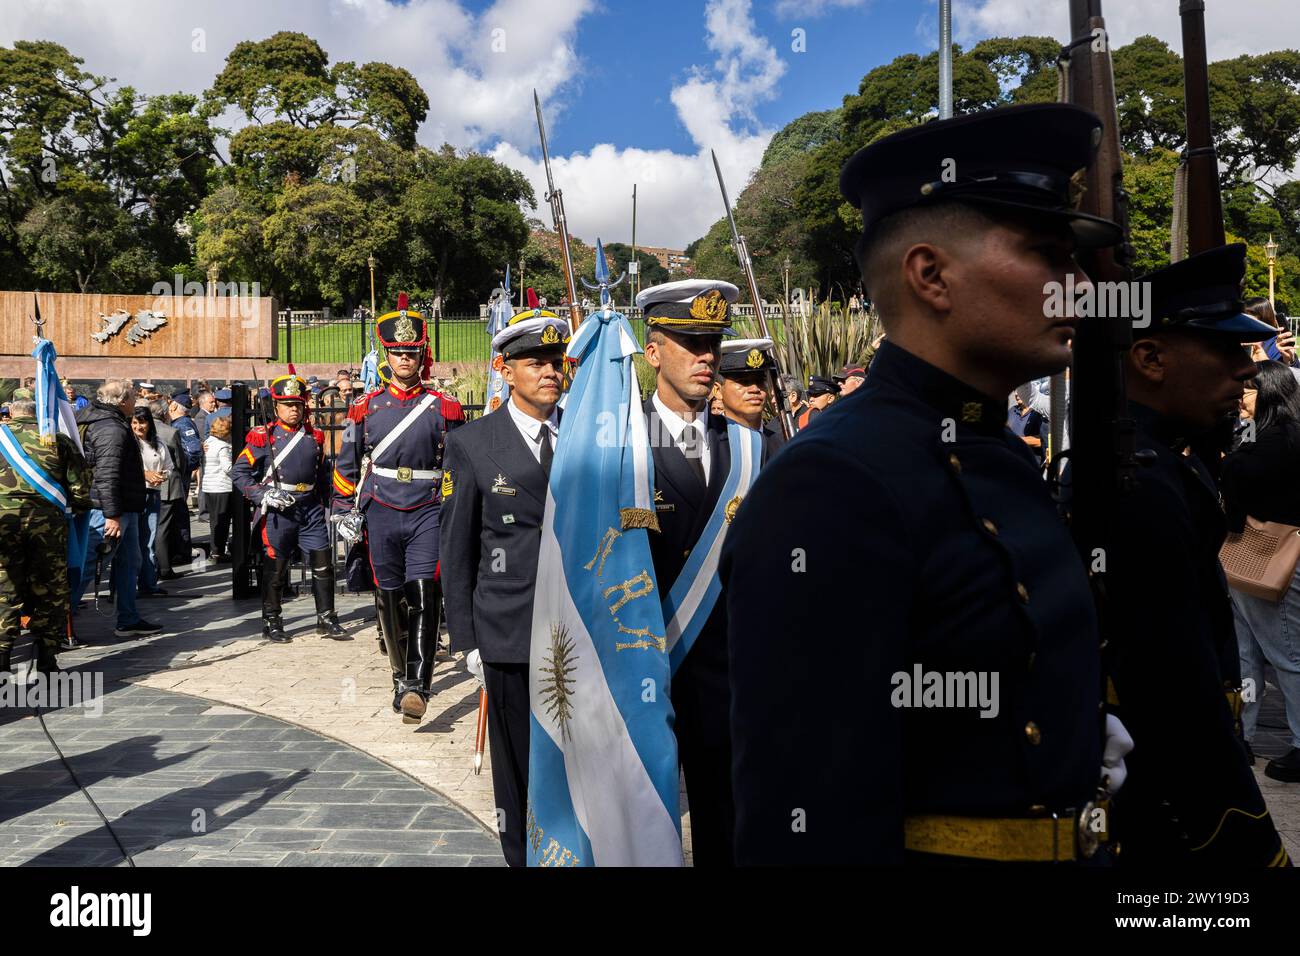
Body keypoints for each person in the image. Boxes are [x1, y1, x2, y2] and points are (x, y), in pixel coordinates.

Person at [722, 103, 1133, 864]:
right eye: (1049, 254)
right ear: (931, 275)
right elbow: (806, 827)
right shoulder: (832, 485)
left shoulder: (998, 451)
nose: (1080, 285)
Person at [1088, 243, 1288, 866]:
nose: (1247, 371)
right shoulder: (1136, 480)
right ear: (1149, 357)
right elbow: (1170, 683)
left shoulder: (1169, 457)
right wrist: (1242, 833)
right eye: (1226, 351)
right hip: (1168, 786)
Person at [636, 277, 765, 867]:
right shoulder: (617, 442)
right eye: (690, 341)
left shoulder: (749, 448)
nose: (707, 356)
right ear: (653, 349)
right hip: (638, 665)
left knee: (727, 822)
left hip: (726, 670)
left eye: (712, 340)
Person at [440, 307, 569, 867]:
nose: (549, 371)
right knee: (515, 767)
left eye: (556, 361)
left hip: (576, 626)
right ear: (504, 369)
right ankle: (521, 856)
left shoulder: (584, 432)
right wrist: (467, 641)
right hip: (508, 629)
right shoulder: (473, 443)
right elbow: (457, 545)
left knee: (570, 761)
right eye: (535, 362)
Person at [332, 293, 465, 723]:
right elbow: (347, 463)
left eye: (411, 352)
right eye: (397, 353)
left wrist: (454, 503)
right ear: (386, 356)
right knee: (388, 595)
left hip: (427, 505)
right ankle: (397, 675)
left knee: (426, 591)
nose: (404, 359)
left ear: (421, 354)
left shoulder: (444, 407)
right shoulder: (365, 407)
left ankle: (418, 684)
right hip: (382, 507)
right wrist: (341, 508)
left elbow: (457, 463)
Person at [1221, 360, 1300, 783]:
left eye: (1248, 391)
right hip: (1251, 557)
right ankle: (1243, 734)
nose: (1240, 399)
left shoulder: (1282, 437)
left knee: (1286, 652)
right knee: (1246, 651)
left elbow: (1239, 472)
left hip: (1274, 558)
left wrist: (1225, 460)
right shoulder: (1261, 431)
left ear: (1268, 393)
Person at [232, 369, 347, 644]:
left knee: (322, 563)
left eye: (297, 404)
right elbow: (239, 473)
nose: (294, 410)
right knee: (277, 568)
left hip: (309, 508)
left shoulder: (315, 436)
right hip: (278, 511)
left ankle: (326, 617)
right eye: (287, 405)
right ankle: (272, 620)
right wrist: (262, 495)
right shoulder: (264, 437)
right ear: (276, 406)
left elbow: (321, 476)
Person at [0, 399, 91, 674]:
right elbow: (80, 487)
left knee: (5, 590)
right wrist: (77, 508)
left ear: (11, 414)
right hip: (48, 527)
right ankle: (47, 661)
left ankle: (2, 660)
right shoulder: (57, 440)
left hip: (4, 524)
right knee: (50, 590)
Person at [73, 379, 162, 638]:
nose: (136, 401)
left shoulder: (105, 419)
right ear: (122, 401)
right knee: (92, 563)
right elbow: (107, 474)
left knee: (129, 562)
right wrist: (112, 515)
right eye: (134, 397)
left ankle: (128, 618)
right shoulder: (110, 428)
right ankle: (56, 625)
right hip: (110, 508)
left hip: (122, 506)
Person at [716, 337, 786, 461]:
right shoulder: (708, 443)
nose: (754, 388)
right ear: (718, 390)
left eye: (760, 381)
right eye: (743, 382)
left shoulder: (782, 444)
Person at [131, 406, 174, 598]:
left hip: (153, 494)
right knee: (130, 542)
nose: (138, 427)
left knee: (148, 540)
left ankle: (148, 584)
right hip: (134, 494)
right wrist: (145, 475)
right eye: (134, 422)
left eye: (141, 422)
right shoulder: (128, 443)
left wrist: (162, 476)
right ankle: (122, 586)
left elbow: (170, 467)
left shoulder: (158, 443)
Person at [148, 398, 189, 581]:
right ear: (164, 413)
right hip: (167, 485)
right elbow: (180, 461)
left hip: (146, 485)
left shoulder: (137, 430)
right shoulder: (171, 432)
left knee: (151, 527)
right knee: (163, 527)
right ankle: (164, 567)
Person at [201, 415, 235, 562]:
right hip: (222, 487)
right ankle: (218, 552)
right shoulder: (223, 447)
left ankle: (215, 550)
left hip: (209, 487)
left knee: (214, 521)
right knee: (222, 521)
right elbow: (227, 467)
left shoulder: (208, 442)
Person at [1007, 388, 1046, 465]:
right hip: (1011, 462)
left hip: (1030, 464)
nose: (1016, 394)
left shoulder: (1038, 413)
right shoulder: (1012, 410)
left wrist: (1015, 440)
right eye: (1015, 391)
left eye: (1019, 391)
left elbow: (1042, 441)